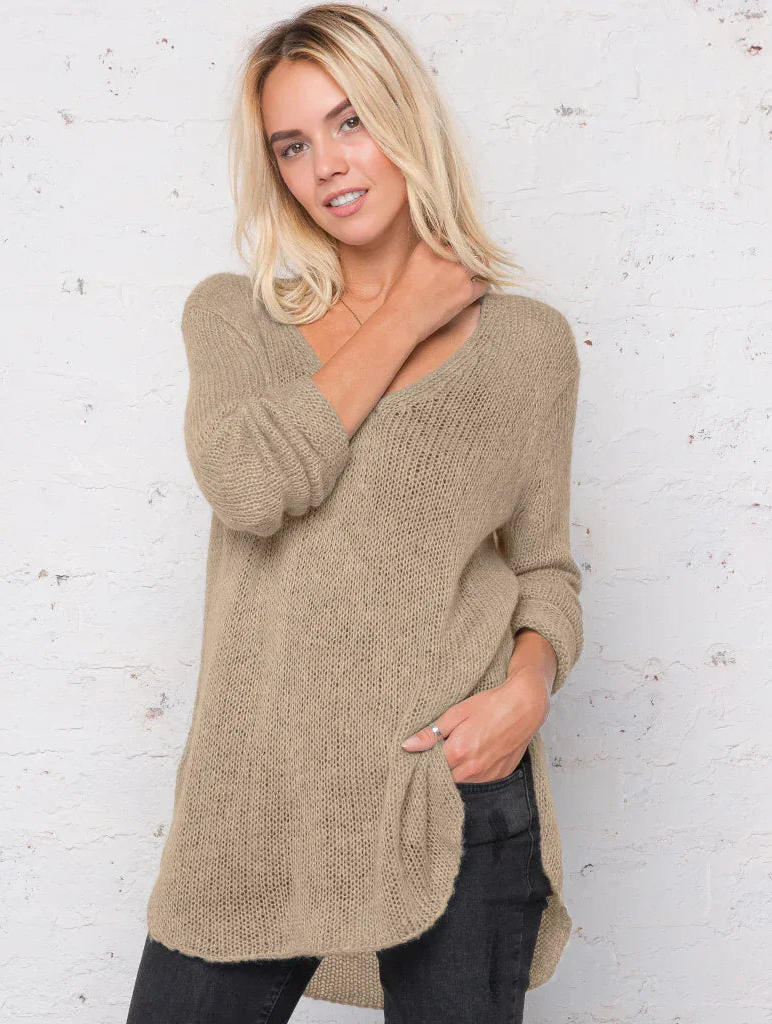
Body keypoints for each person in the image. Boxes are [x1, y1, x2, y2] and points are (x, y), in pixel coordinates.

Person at [126, 4, 584, 1022]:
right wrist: (409, 311)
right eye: (291, 144)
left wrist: (526, 690)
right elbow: (249, 484)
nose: (326, 164)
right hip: (255, 799)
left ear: (404, 121)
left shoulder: (530, 346)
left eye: (350, 122)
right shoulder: (236, 317)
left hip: (448, 791)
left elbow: (543, 566)